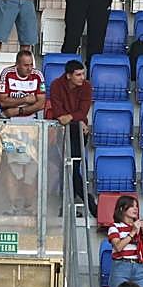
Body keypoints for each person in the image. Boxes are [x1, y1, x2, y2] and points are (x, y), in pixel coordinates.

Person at [46, 58, 93, 199]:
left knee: (74, 167)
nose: (82, 78)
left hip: (78, 131)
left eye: (83, 74)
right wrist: (76, 119)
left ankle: (73, 202)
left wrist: (71, 118)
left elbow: (83, 111)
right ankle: (84, 202)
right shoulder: (56, 85)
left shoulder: (86, 87)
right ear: (68, 75)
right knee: (65, 168)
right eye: (78, 75)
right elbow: (59, 113)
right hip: (62, 130)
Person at [107, 195, 143, 287]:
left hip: (138, 268)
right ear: (122, 209)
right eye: (131, 206)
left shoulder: (140, 227)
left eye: (137, 206)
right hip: (121, 267)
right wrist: (132, 232)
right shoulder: (115, 227)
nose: (135, 209)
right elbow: (118, 247)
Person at [0, 49, 47, 120]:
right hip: (9, 117)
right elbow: (3, 102)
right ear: (17, 65)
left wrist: (20, 111)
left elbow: (41, 104)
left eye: (31, 65)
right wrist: (25, 99)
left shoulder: (38, 75)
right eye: (26, 65)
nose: (29, 68)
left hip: (31, 117)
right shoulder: (7, 73)